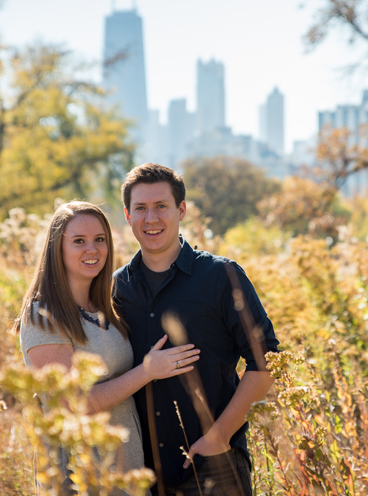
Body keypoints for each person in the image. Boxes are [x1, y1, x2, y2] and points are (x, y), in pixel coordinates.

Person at [113, 163, 279, 496]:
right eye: (140, 209)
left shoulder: (221, 277)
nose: (151, 218)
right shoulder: (116, 288)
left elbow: (267, 361)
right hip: (141, 477)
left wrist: (218, 437)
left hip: (214, 469)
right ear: (128, 217)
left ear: (182, 209)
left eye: (161, 206)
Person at [14, 201, 201, 496]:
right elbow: (72, 403)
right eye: (79, 241)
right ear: (56, 249)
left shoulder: (106, 309)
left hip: (126, 467)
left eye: (100, 239)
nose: (93, 249)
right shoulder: (43, 317)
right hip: (81, 473)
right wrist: (148, 371)